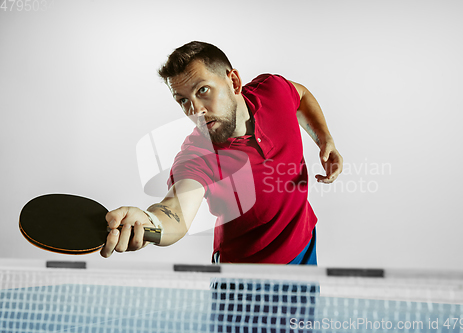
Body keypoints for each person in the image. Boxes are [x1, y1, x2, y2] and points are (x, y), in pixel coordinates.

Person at [100, 41, 343, 264]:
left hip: (304, 246)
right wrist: (151, 222)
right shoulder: (197, 156)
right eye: (183, 100)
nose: (195, 110)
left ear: (234, 82)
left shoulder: (272, 91)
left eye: (202, 90)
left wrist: (325, 140)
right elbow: (176, 211)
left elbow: (300, 96)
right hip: (246, 278)